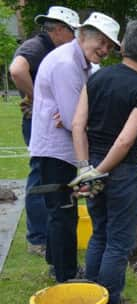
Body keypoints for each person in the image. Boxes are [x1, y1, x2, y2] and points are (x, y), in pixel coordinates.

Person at [71, 20, 137, 304]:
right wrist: (99, 172)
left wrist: (86, 169)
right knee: (119, 241)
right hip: (122, 173)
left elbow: (77, 125)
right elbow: (124, 141)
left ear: (122, 47)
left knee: (100, 233)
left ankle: (93, 294)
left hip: (93, 164)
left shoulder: (95, 78)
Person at [28, 12, 120, 283]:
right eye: (100, 43)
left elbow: (79, 113)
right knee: (63, 212)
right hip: (55, 151)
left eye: (109, 46)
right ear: (82, 35)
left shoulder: (86, 65)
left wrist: (79, 114)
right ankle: (66, 274)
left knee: (61, 210)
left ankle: (55, 262)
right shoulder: (67, 64)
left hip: (65, 149)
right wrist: (81, 116)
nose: (104, 50)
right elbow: (72, 120)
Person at [9, 6, 79, 257]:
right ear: (60, 30)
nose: (75, 40)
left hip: (44, 122)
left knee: (49, 177)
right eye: (73, 33)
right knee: (40, 178)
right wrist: (39, 99)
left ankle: (46, 234)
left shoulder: (51, 49)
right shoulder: (38, 46)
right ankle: (37, 239)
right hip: (38, 123)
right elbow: (17, 70)